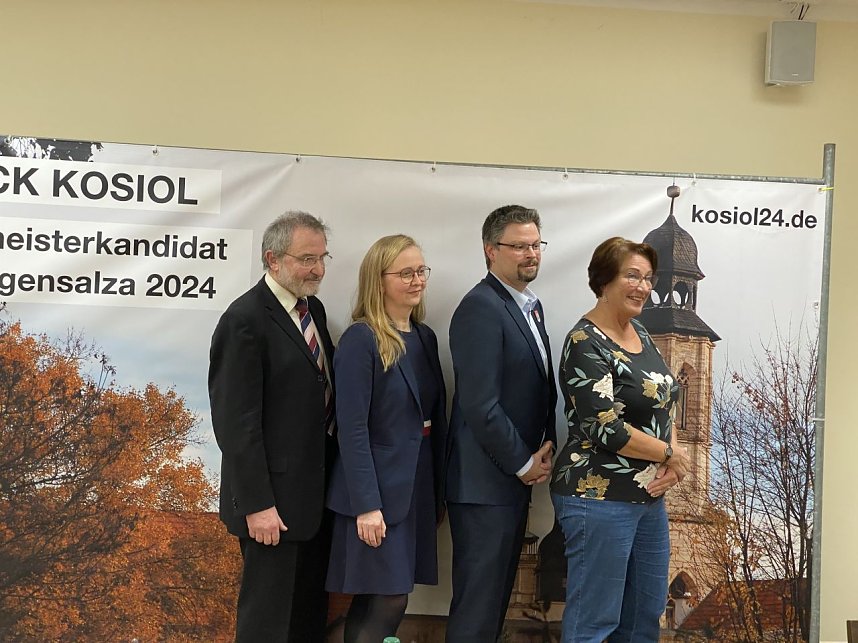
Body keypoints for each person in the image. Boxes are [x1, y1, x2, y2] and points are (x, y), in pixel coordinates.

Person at [550, 236, 691, 643]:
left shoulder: (641, 333)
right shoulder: (584, 342)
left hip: (648, 498)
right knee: (595, 621)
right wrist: (671, 455)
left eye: (648, 278)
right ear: (604, 279)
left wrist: (672, 457)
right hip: (597, 496)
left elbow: (666, 401)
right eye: (632, 275)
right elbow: (604, 427)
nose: (643, 287)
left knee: (643, 618)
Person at [208, 211, 336, 642]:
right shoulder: (244, 320)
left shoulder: (312, 308)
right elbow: (235, 424)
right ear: (273, 259)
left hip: (313, 502)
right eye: (306, 259)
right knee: (267, 625)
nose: (317, 269)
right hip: (271, 509)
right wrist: (258, 504)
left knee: (304, 621)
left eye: (321, 257)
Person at [326, 234, 448, 643]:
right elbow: (352, 428)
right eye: (406, 273)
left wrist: (436, 494)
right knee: (388, 601)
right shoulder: (361, 339)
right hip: (375, 497)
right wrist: (366, 505)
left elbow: (432, 418)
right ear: (378, 281)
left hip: (414, 492)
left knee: (380, 600)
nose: (417, 280)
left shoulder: (423, 337)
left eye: (421, 271)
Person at [445, 204, 557, 643]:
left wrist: (543, 445)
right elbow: (481, 404)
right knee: (477, 613)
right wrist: (524, 462)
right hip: (484, 488)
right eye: (519, 246)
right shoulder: (480, 308)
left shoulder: (530, 307)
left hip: (507, 485)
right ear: (491, 251)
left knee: (492, 614)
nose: (530, 254)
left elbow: (533, 388)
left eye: (535, 245)